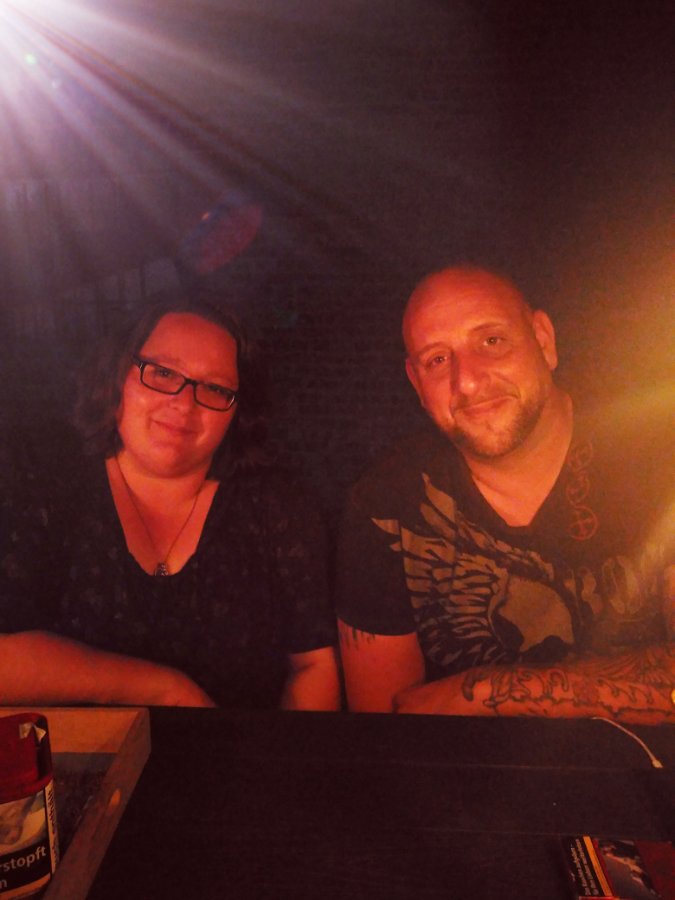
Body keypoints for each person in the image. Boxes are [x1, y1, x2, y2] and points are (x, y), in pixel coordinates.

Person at [337, 266, 674, 723]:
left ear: (544, 340)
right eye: (438, 360)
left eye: (491, 341)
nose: (468, 381)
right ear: (416, 383)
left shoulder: (659, 459)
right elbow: (385, 732)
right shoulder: (384, 506)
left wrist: (487, 692)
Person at [1, 291, 339, 710]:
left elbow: (313, 666)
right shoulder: (41, 484)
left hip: (238, 752)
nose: (183, 404)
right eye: (162, 373)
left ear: (238, 410)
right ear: (116, 375)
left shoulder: (278, 506)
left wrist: (282, 753)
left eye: (215, 388)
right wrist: (162, 689)